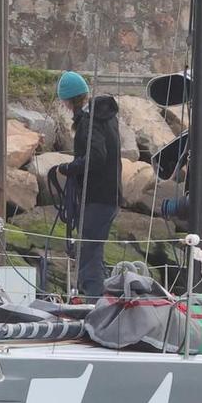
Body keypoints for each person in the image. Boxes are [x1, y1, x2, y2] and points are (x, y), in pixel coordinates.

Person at [56, 71, 122, 299]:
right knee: (93, 250)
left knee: (87, 252)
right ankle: (99, 297)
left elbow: (96, 157)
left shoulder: (88, 121)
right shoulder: (106, 118)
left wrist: (69, 168)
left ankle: (93, 304)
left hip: (97, 197)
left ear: (67, 100)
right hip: (110, 196)